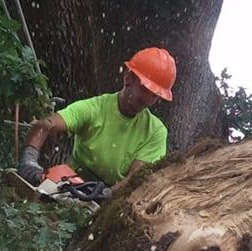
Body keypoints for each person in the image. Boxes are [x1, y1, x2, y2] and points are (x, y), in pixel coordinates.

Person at [18, 47, 177, 193]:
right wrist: (29, 160)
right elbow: (46, 125)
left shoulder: (155, 131)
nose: (147, 99)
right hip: (73, 181)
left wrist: (105, 196)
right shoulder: (94, 109)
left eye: (155, 96)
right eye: (144, 89)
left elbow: (135, 179)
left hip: (114, 195)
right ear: (128, 78)